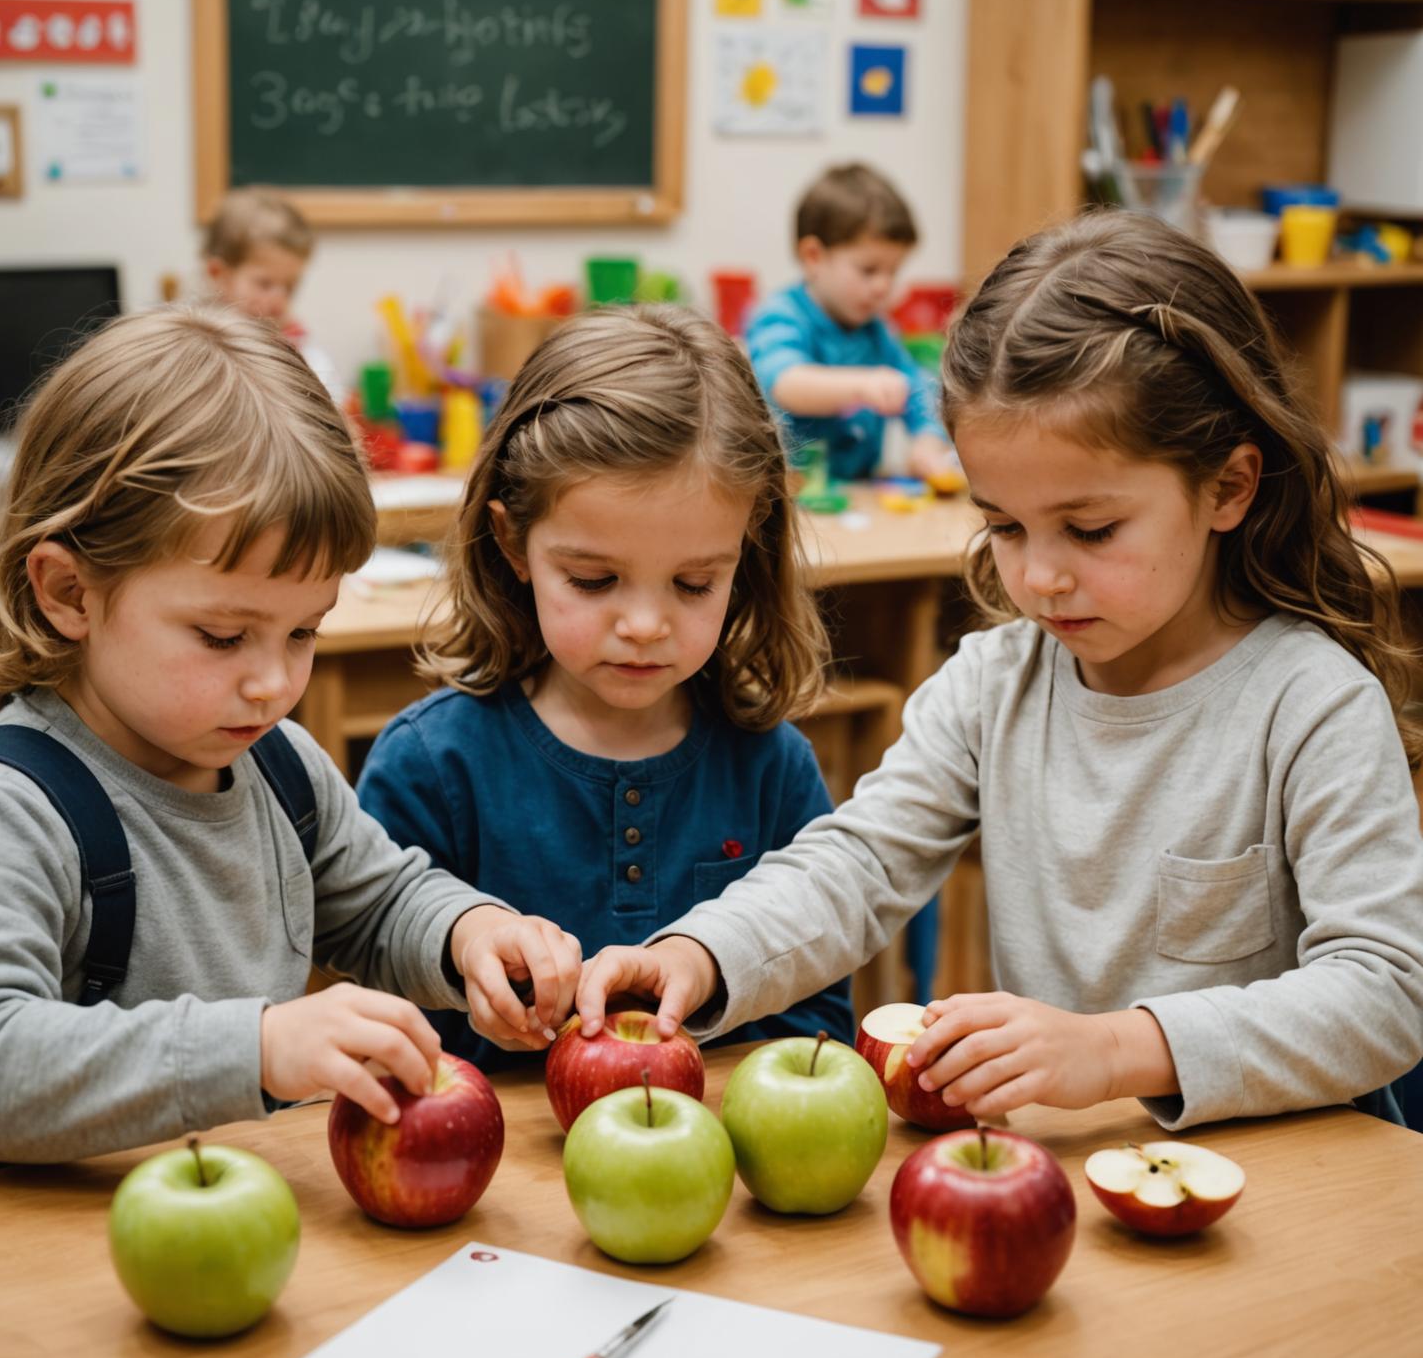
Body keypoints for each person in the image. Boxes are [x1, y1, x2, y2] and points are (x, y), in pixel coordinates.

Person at [579, 210, 1423, 1131]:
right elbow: (859, 863)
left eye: (1090, 529)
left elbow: (1386, 994)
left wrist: (1113, 1050)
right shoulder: (994, 685)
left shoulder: (1314, 706)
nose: (1040, 576)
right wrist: (701, 954)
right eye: (1006, 526)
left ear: (1229, 486)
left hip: (1296, 1186)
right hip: (1059, 1177)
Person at [0, 305, 574, 1183]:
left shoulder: (280, 765)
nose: (273, 683)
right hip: (33, 1238)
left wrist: (468, 934)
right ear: (69, 592)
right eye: (223, 637)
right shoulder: (5, 811)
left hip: (229, 1214)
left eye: (303, 632)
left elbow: (379, 902)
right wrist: (253, 1048)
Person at [356, 304, 855, 1070]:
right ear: (513, 543)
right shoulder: (430, 766)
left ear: (745, 551)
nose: (645, 625)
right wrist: (471, 973)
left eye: (694, 583)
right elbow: (376, 1009)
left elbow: (817, 1025)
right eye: (594, 580)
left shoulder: (773, 769)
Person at [746, 162, 956, 483]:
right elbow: (785, 384)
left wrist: (928, 441)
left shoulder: (877, 331)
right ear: (813, 256)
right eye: (869, 270)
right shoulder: (781, 315)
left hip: (859, 491)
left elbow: (916, 389)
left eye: (893, 272)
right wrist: (863, 386)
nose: (883, 286)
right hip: (791, 496)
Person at [202, 187, 343, 400]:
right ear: (219, 274)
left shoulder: (295, 341)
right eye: (265, 284)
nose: (280, 299)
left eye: (290, 287)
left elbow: (330, 394)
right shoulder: (199, 341)